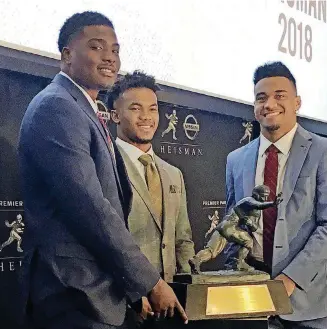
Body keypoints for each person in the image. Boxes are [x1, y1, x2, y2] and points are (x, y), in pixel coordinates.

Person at [18, 12, 187, 329]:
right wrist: (151, 282)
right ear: (67, 55)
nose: (110, 56)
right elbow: (90, 209)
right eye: (97, 47)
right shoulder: (58, 107)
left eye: (115, 49)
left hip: (98, 293)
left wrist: (133, 289)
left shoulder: (83, 109)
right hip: (72, 293)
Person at [225, 61, 327, 329]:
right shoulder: (236, 160)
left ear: (297, 102)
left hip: (314, 303)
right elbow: (235, 223)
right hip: (254, 304)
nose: (269, 104)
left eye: (279, 96)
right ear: (255, 108)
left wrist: (289, 280)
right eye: (261, 98)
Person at [107, 70, 195, 326]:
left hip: (170, 307)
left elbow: (182, 239)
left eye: (153, 109)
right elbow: (106, 239)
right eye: (135, 108)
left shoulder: (173, 174)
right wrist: (134, 291)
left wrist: (186, 289)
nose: (146, 117)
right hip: (123, 305)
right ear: (114, 115)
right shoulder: (106, 165)